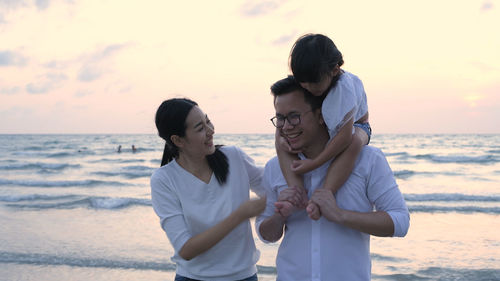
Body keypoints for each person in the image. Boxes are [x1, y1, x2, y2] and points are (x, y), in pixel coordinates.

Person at [257, 77, 409, 281]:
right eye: (280, 119)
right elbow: (266, 235)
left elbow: (400, 221)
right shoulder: (275, 167)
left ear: (321, 115)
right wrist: (279, 216)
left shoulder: (368, 159)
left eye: (294, 116)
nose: (286, 127)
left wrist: (340, 215)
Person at [150, 98, 266, 281]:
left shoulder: (234, 157)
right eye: (200, 128)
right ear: (178, 140)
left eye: (208, 121)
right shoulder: (164, 180)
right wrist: (239, 215)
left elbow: (273, 188)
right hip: (192, 277)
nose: (211, 131)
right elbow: (186, 249)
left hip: (244, 276)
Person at [275, 33, 371, 220]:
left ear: (334, 70)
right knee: (279, 140)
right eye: (303, 82)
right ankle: (297, 192)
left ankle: (324, 195)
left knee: (353, 144)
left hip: (358, 126)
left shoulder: (344, 90)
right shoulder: (310, 77)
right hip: (330, 126)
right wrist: (281, 137)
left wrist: (315, 162)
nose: (308, 87)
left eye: (313, 83)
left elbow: (344, 137)